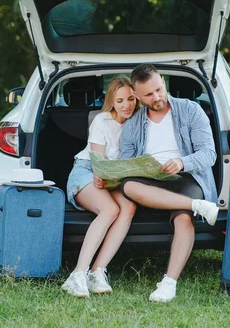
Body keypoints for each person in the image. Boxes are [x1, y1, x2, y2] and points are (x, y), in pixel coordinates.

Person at [119, 64, 220, 302]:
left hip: (186, 176)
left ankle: (169, 283)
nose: (156, 98)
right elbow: (125, 160)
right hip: (149, 180)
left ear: (162, 81)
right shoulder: (133, 123)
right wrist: (141, 167)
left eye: (159, 89)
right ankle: (197, 205)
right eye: (148, 95)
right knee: (128, 186)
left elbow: (209, 154)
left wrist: (182, 162)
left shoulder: (190, 110)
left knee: (183, 217)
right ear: (136, 95)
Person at [61, 76, 139, 298]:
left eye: (131, 99)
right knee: (110, 209)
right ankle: (77, 275)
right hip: (88, 171)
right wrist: (103, 176)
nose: (127, 105)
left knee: (129, 208)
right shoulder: (102, 121)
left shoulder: (139, 122)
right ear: (111, 101)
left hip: (116, 178)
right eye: (121, 100)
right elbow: (98, 162)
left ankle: (97, 272)